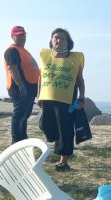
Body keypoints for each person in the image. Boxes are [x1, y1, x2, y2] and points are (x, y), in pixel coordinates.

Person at [37, 28, 86, 171]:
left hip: (67, 99)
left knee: (65, 130)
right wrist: (38, 95)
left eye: (62, 38)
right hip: (47, 97)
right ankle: (56, 140)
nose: (58, 40)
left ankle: (63, 161)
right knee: (45, 125)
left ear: (68, 42)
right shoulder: (45, 56)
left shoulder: (75, 58)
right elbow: (41, 77)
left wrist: (82, 98)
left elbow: (80, 80)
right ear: (51, 40)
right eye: (56, 37)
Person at [4, 25, 40, 144]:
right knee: (19, 114)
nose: (21, 37)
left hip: (30, 87)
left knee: (25, 115)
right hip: (20, 88)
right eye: (18, 35)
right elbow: (13, 69)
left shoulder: (24, 51)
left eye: (23, 35)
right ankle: (15, 140)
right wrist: (21, 85)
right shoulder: (12, 50)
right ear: (12, 36)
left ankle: (22, 138)